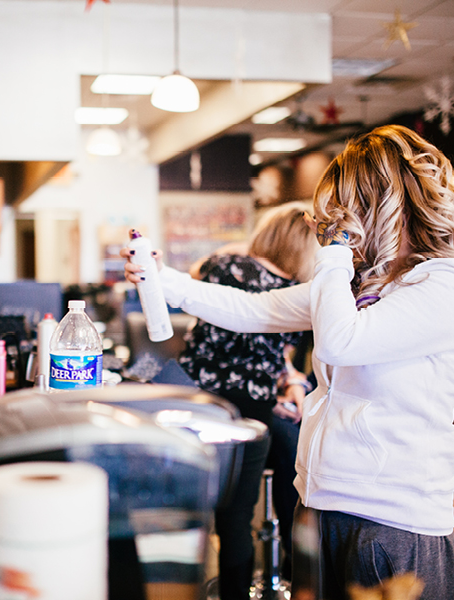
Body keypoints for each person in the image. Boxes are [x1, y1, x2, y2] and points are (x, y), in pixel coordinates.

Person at [121, 124, 454, 600]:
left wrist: (333, 255)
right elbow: (254, 310)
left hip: (390, 519)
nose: (327, 222)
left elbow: (339, 344)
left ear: (383, 204)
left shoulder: (449, 286)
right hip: (320, 503)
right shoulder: (368, 285)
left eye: (341, 208)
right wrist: (162, 278)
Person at [176, 201, 318, 599]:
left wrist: (247, 248)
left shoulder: (223, 266)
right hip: (250, 411)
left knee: (202, 514)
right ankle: (283, 571)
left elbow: (194, 270)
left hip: (197, 400)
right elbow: (278, 356)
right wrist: (290, 385)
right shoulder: (298, 294)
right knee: (237, 516)